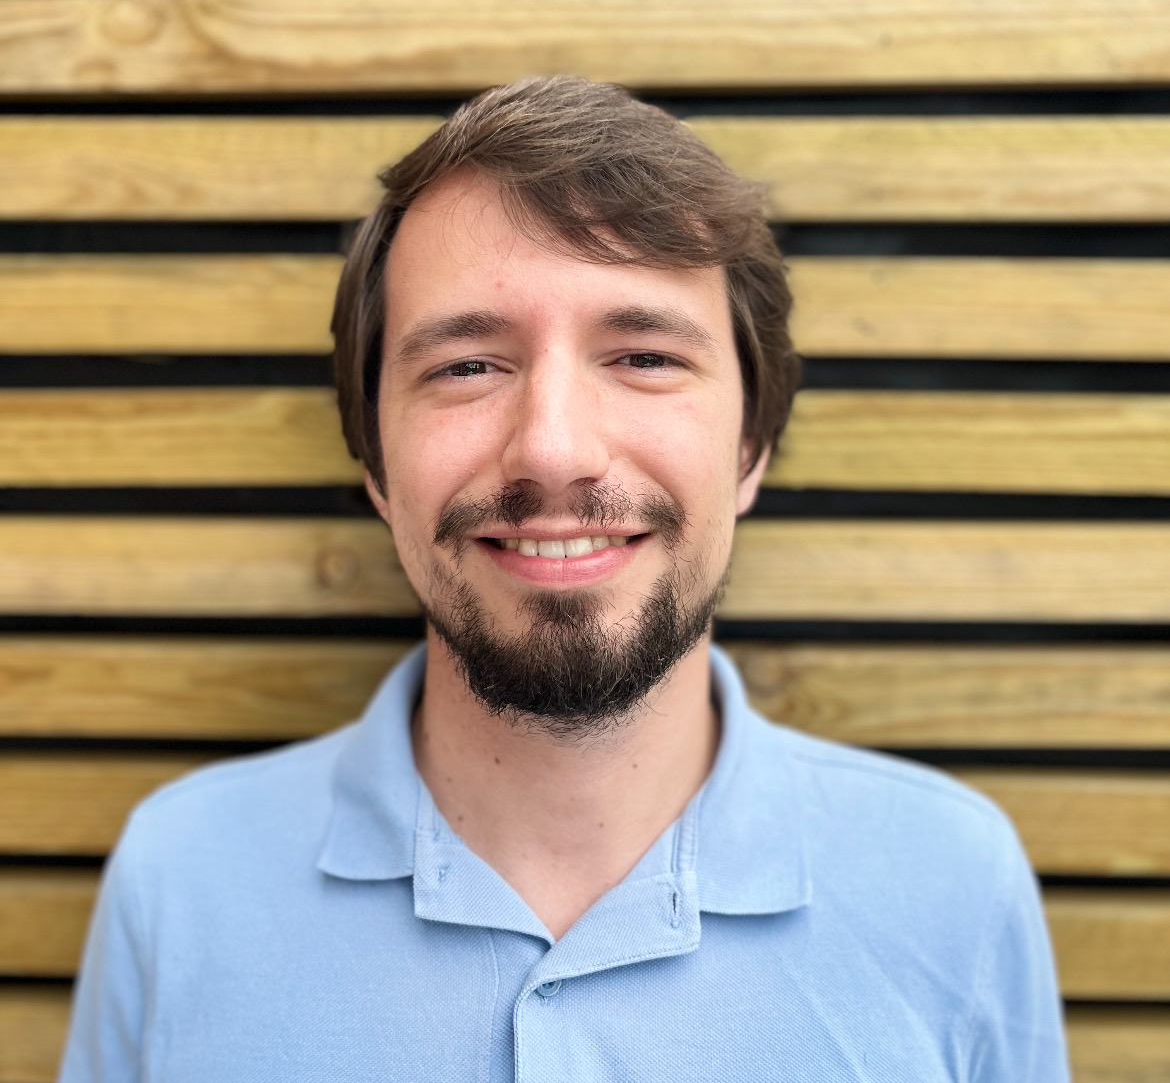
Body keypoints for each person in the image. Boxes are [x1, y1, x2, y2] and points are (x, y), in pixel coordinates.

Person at [60, 76, 1069, 1082]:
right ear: (374, 460)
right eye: (467, 365)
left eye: (643, 356)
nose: (551, 448)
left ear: (751, 446)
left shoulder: (954, 887)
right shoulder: (180, 880)